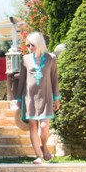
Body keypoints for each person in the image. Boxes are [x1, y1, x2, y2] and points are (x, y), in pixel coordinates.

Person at [13, 32, 60, 163]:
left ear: (39, 44)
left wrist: (56, 97)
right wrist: (19, 99)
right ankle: (38, 156)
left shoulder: (51, 58)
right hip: (29, 98)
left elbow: (54, 79)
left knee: (44, 126)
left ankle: (44, 146)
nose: (29, 47)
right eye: (27, 45)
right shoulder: (25, 59)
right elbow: (22, 80)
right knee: (33, 126)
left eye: (31, 45)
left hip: (46, 97)